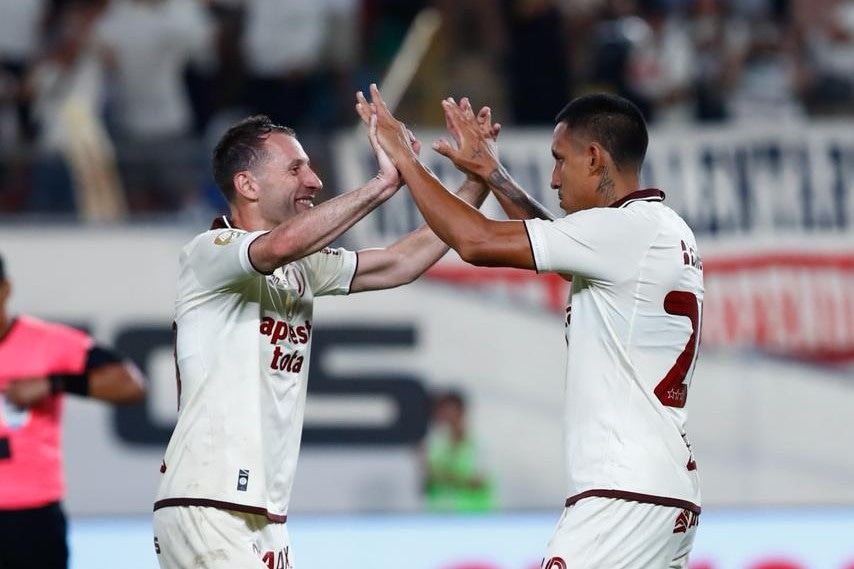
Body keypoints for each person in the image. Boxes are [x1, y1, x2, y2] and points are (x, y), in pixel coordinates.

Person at [365, 83, 704, 568]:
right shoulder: (658, 229)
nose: (552, 178)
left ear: (594, 158)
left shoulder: (624, 230)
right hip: (662, 491)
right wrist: (494, 176)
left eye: (559, 160)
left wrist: (406, 157)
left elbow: (475, 241)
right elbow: (566, 257)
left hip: (620, 495)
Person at [151, 107, 490, 568]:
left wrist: (475, 184)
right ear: (247, 185)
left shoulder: (301, 267)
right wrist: (384, 183)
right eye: (295, 169)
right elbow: (278, 246)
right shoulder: (210, 253)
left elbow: (398, 262)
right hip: (210, 501)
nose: (313, 180)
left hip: (265, 514)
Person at [0, 252, 147, 569]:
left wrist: (54, 383)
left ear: (5, 289)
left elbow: (131, 384)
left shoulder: (46, 342)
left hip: (30, 516)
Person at [422, 389, 495, 512]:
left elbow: (477, 483)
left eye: (448, 409)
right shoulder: (435, 443)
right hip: (440, 520)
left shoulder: (479, 442)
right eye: (441, 410)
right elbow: (428, 482)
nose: (444, 414)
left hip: (474, 519)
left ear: (461, 410)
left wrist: (443, 478)